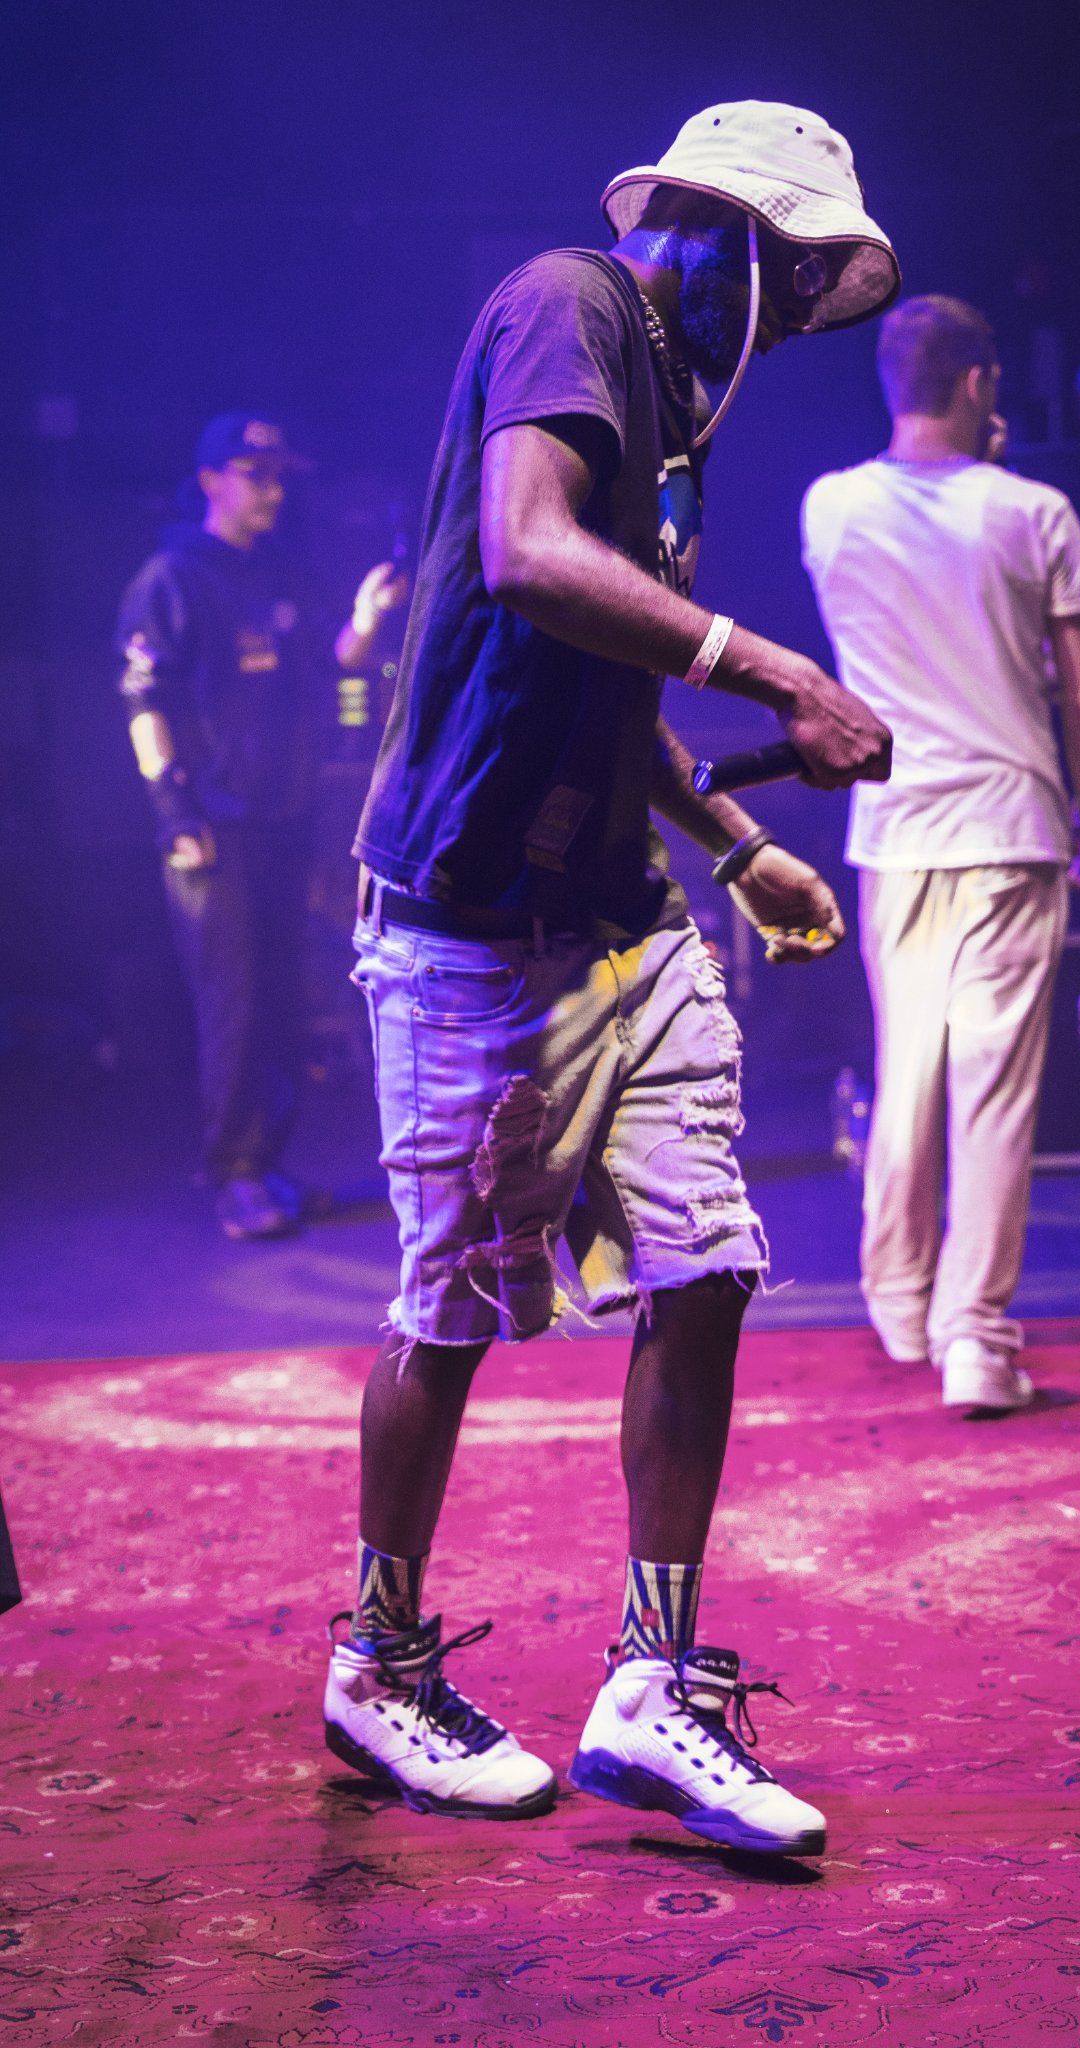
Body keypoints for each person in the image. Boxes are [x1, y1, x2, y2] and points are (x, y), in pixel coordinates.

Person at [324, 102, 898, 1858]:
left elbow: (611, 672)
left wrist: (735, 844)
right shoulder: (571, 307)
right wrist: (779, 666)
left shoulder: (672, 419)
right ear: (730, 239)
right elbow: (527, 554)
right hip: (471, 916)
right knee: (459, 1306)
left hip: (622, 909)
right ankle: (378, 1653)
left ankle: (651, 1680)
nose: (793, 323)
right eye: (795, 284)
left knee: (706, 1259)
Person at [801, 295, 1080, 1414]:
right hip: (1014, 822)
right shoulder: (1036, 510)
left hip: (895, 833)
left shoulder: (828, 507)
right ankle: (975, 1337)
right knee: (992, 1088)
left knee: (910, 1070)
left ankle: (897, 1299)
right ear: (981, 383)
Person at [116, 414, 407, 1239]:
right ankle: (234, 1174)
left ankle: (268, 1166)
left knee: (281, 999)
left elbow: (337, 658)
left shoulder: (278, 575)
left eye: (280, 475)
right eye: (256, 474)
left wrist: (369, 612)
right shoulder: (172, 578)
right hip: (212, 829)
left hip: (285, 822)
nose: (273, 490)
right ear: (212, 480)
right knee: (235, 1005)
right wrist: (175, 810)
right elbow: (144, 700)